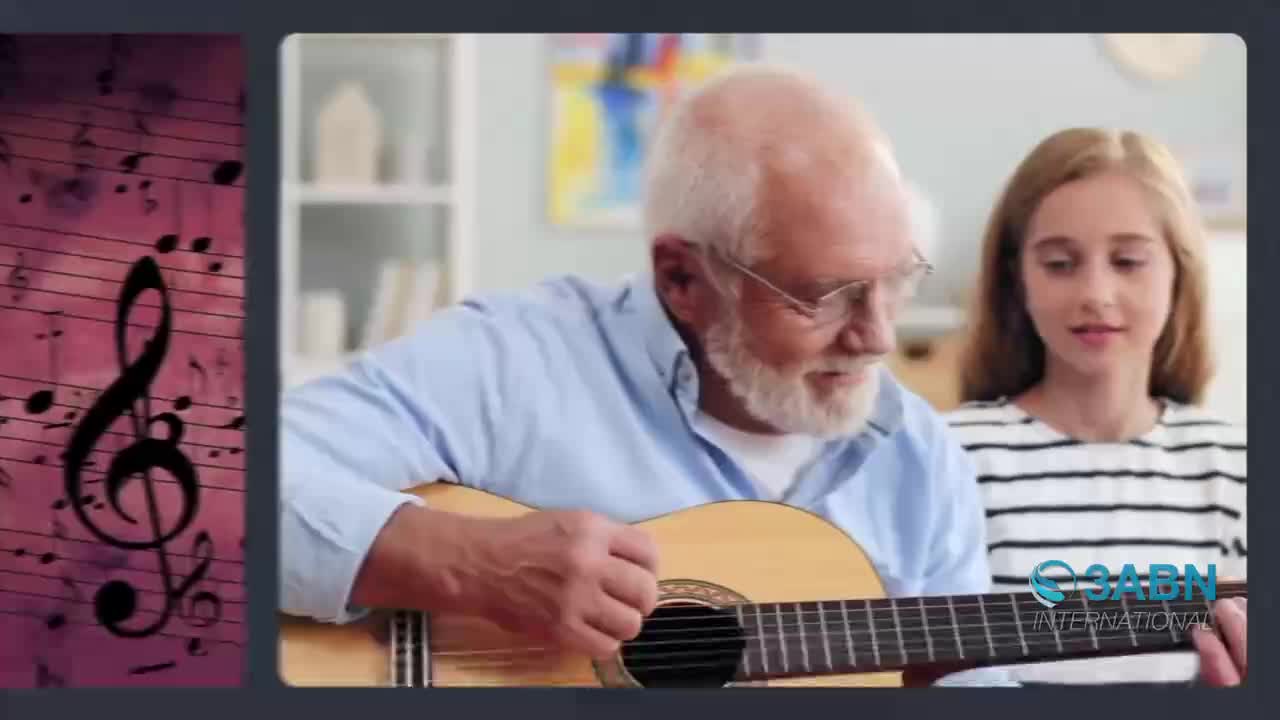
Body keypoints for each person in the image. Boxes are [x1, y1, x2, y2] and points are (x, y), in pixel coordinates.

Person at [278, 67, 1244, 688]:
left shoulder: (917, 458)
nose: (876, 337)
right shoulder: (513, 362)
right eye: (825, 295)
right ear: (681, 278)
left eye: (896, 281)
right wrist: (466, 563)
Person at [945, 127, 1247, 686]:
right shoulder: (950, 456)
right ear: (1017, 277)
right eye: (1060, 264)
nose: (1095, 294)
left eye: (1128, 261)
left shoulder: (1235, 464)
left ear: (1179, 272)